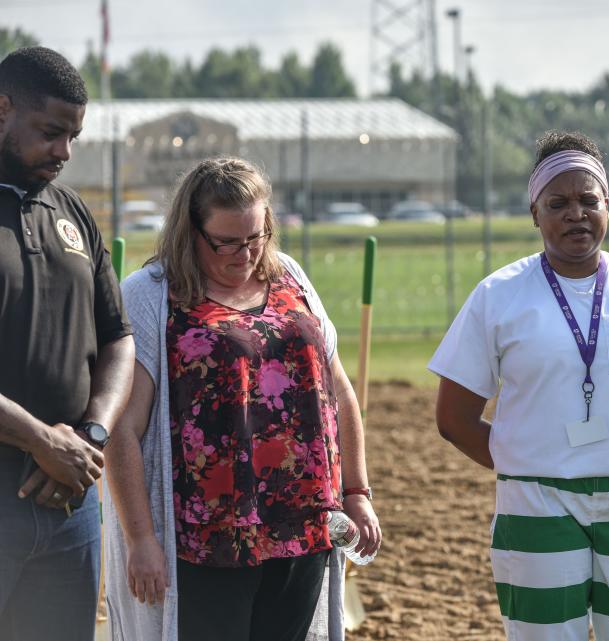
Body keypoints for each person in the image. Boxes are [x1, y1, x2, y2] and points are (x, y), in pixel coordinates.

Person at [429, 130, 609, 641]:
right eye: (557, 203)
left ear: (608, 204)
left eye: (588, 200)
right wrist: (531, 463)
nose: (575, 214)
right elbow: (453, 418)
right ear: (535, 212)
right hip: (536, 503)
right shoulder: (499, 295)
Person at [103, 157, 381, 641]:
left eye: (256, 237)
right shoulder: (154, 297)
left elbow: (338, 391)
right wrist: (141, 539)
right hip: (209, 539)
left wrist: (357, 492)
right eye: (227, 241)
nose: (245, 253)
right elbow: (124, 428)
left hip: (304, 523)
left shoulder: (291, 278)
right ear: (190, 231)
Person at [0, 47, 135, 641]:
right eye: (52, 133)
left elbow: (118, 339)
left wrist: (89, 437)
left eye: (74, 136)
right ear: (2, 109)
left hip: (71, 502)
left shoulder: (72, 212)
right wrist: (40, 440)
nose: (65, 152)